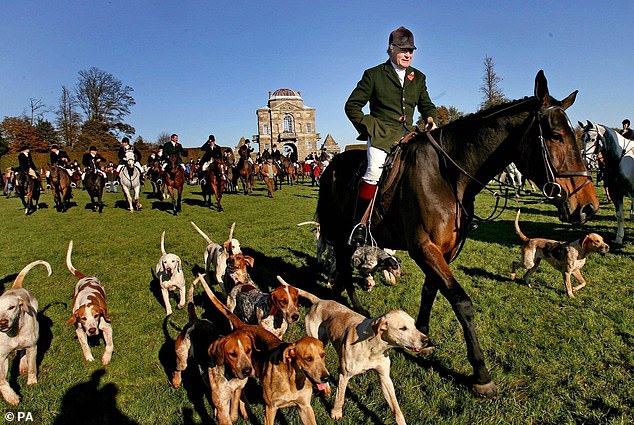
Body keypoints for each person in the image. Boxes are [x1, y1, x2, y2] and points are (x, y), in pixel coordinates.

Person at [344, 26, 438, 246]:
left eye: (411, 51)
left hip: (410, 135)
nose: (407, 54)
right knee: (373, 172)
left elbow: (426, 104)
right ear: (390, 49)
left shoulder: (419, 77)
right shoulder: (374, 74)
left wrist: (431, 118)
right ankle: (360, 224)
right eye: (403, 49)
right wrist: (370, 125)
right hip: (381, 136)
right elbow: (352, 106)